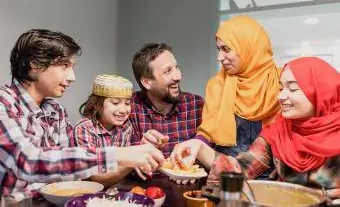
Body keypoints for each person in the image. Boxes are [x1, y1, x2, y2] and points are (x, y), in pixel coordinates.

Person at [0, 29, 164, 196]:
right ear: (34, 64)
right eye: (64, 65)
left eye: (72, 67)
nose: (72, 77)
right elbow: (27, 162)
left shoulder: (56, 111)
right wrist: (117, 155)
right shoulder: (3, 104)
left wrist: (135, 154)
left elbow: (67, 171)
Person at [171, 57, 340, 199]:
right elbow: (241, 169)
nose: (280, 96)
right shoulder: (278, 131)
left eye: (293, 88)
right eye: (281, 87)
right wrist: (199, 148)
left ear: (321, 93)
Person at [194, 15, 281, 158]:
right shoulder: (217, 84)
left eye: (226, 49)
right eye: (218, 49)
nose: (219, 57)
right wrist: (194, 147)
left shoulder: (281, 81)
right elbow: (207, 134)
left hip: (273, 176)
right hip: (224, 172)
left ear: (248, 47)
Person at [70, 74, 147, 186]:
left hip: (116, 189)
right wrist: (134, 160)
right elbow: (95, 177)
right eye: (115, 103)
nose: (123, 110)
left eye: (127, 103)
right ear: (97, 104)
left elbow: (120, 167)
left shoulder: (126, 127)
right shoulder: (83, 129)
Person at [130, 43, 204, 158]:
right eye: (168, 71)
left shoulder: (197, 105)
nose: (178, 76)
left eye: (176, 67)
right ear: (147, 82)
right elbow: (121, 164)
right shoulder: (129, 108)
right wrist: (140, 150)